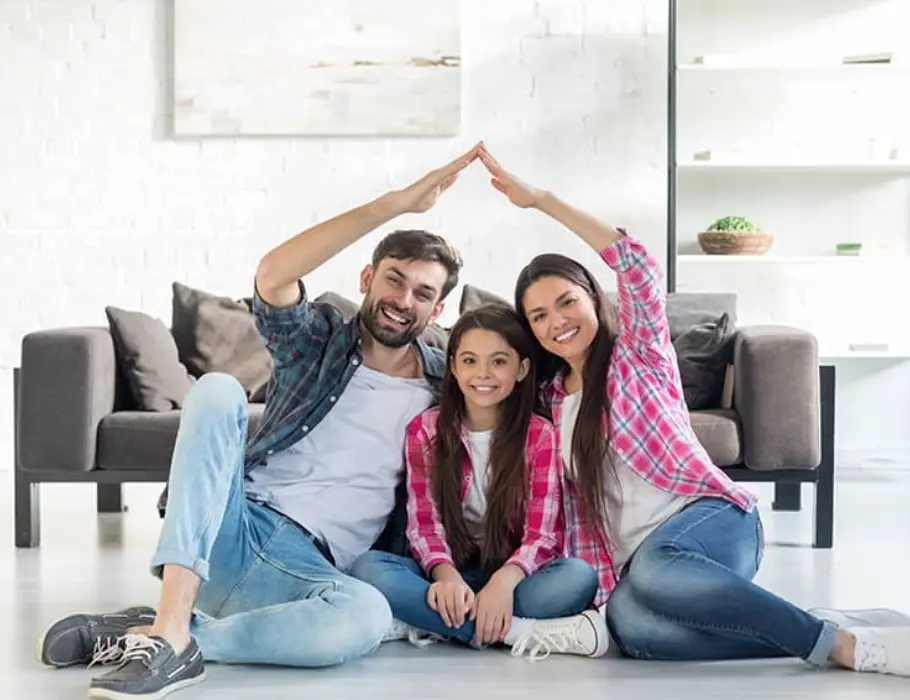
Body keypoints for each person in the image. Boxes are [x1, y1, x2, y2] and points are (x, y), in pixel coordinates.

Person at [36, 144, 482, 699]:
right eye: (394, 280)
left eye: (422, 293)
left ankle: (163, 635)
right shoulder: (319, 338)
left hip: (306, 569)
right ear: (367, 278)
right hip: (231, 527)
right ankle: (172, 627)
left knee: (366, 618)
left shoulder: (449, 385)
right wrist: (393, 204)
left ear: (438, 310)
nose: (402, 300)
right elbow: (272, 275)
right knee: (218, 389)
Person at [469, 143, 910, 677]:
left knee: (657, 573)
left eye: (566, 301)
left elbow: (637, 266)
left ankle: (846, 649)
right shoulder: (549, 401)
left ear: (591, 298)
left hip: (710, 522)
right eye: (538, 316)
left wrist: (541, 200)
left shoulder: (638, 354)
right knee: (633, 628)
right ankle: (817, 625)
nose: (556, 321)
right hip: (635, 564)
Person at [351, 304, 608, 660]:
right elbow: (424, 524)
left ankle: (428, 623)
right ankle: (516, 632)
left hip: (513, 578)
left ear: (522, 369)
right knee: (369, 569)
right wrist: (446, 576)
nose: (483, 374)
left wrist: (504, 581)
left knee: (577, 578)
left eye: (499, 361)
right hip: (449, 575)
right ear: (453, 366)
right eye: (470, 361)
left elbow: (543, 535)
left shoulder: (540, 435)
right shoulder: (425, 431)